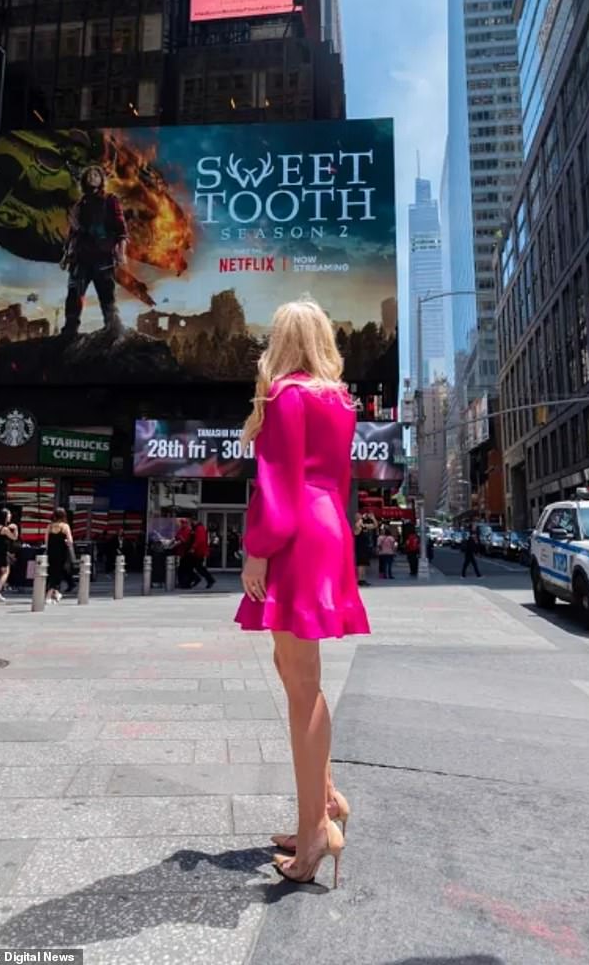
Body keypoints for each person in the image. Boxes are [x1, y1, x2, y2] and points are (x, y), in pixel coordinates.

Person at [235, 298, 370, 887]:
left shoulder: (288, 395)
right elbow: (333, 480)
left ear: (282, 341)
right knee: (294, 672)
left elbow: (278, 481)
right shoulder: (338, 400)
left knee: (301, 684)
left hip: (296, 530)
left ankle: (315, 829)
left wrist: (257, 547)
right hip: (327, 525)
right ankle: (325, 801)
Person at [60, 164, 127, 340]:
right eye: (88, 174)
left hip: (103, 256)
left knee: (107, 295)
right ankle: (69, 330)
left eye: (96, 174)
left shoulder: (111, 200)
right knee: (74, 295)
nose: (92, 176)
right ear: (84, 181)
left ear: (101, 179)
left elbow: (121, 229)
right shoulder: (79, 206)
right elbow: (73, 233)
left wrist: (121, 252)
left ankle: (113, 328)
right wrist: (66, 255)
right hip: (80, 257)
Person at [45, 508, 76, 603]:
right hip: (62, 553)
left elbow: (46, 541)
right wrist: (66, 542)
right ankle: (48, 596)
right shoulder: (65, 526)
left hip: (51, 553)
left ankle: (56, 593)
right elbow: (70, 541)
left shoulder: (49, 526)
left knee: (52, 572)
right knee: (57, 574)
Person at [0, 509, 18, 602]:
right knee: (5, 572)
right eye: (9, 514)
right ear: (4, 516)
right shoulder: (4, 529)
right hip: (2, 551)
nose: (10, 516)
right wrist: (16, 528)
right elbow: (14, 537)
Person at [188, 518, 215, 589]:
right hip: (199, 551)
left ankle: (209, 579)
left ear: (196, 521)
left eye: (192, 521)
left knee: (198, 567)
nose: (192, 523)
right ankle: (206, 579)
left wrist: (193, 548)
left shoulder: (199, 529)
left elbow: (200, 540)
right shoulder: (199, 528)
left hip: (199, 551)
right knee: (197, 566)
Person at [354, 513, 372, 587]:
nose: (361, 517)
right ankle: (360, 580)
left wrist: (373, 518)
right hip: (360, 548)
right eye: (359, 516)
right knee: (360, 565)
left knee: (364, 565)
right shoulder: (357, 527)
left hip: (365, 548)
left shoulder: (364, 526)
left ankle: (363, 579)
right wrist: (361, 519)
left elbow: (375, 525)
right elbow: (357, 527)